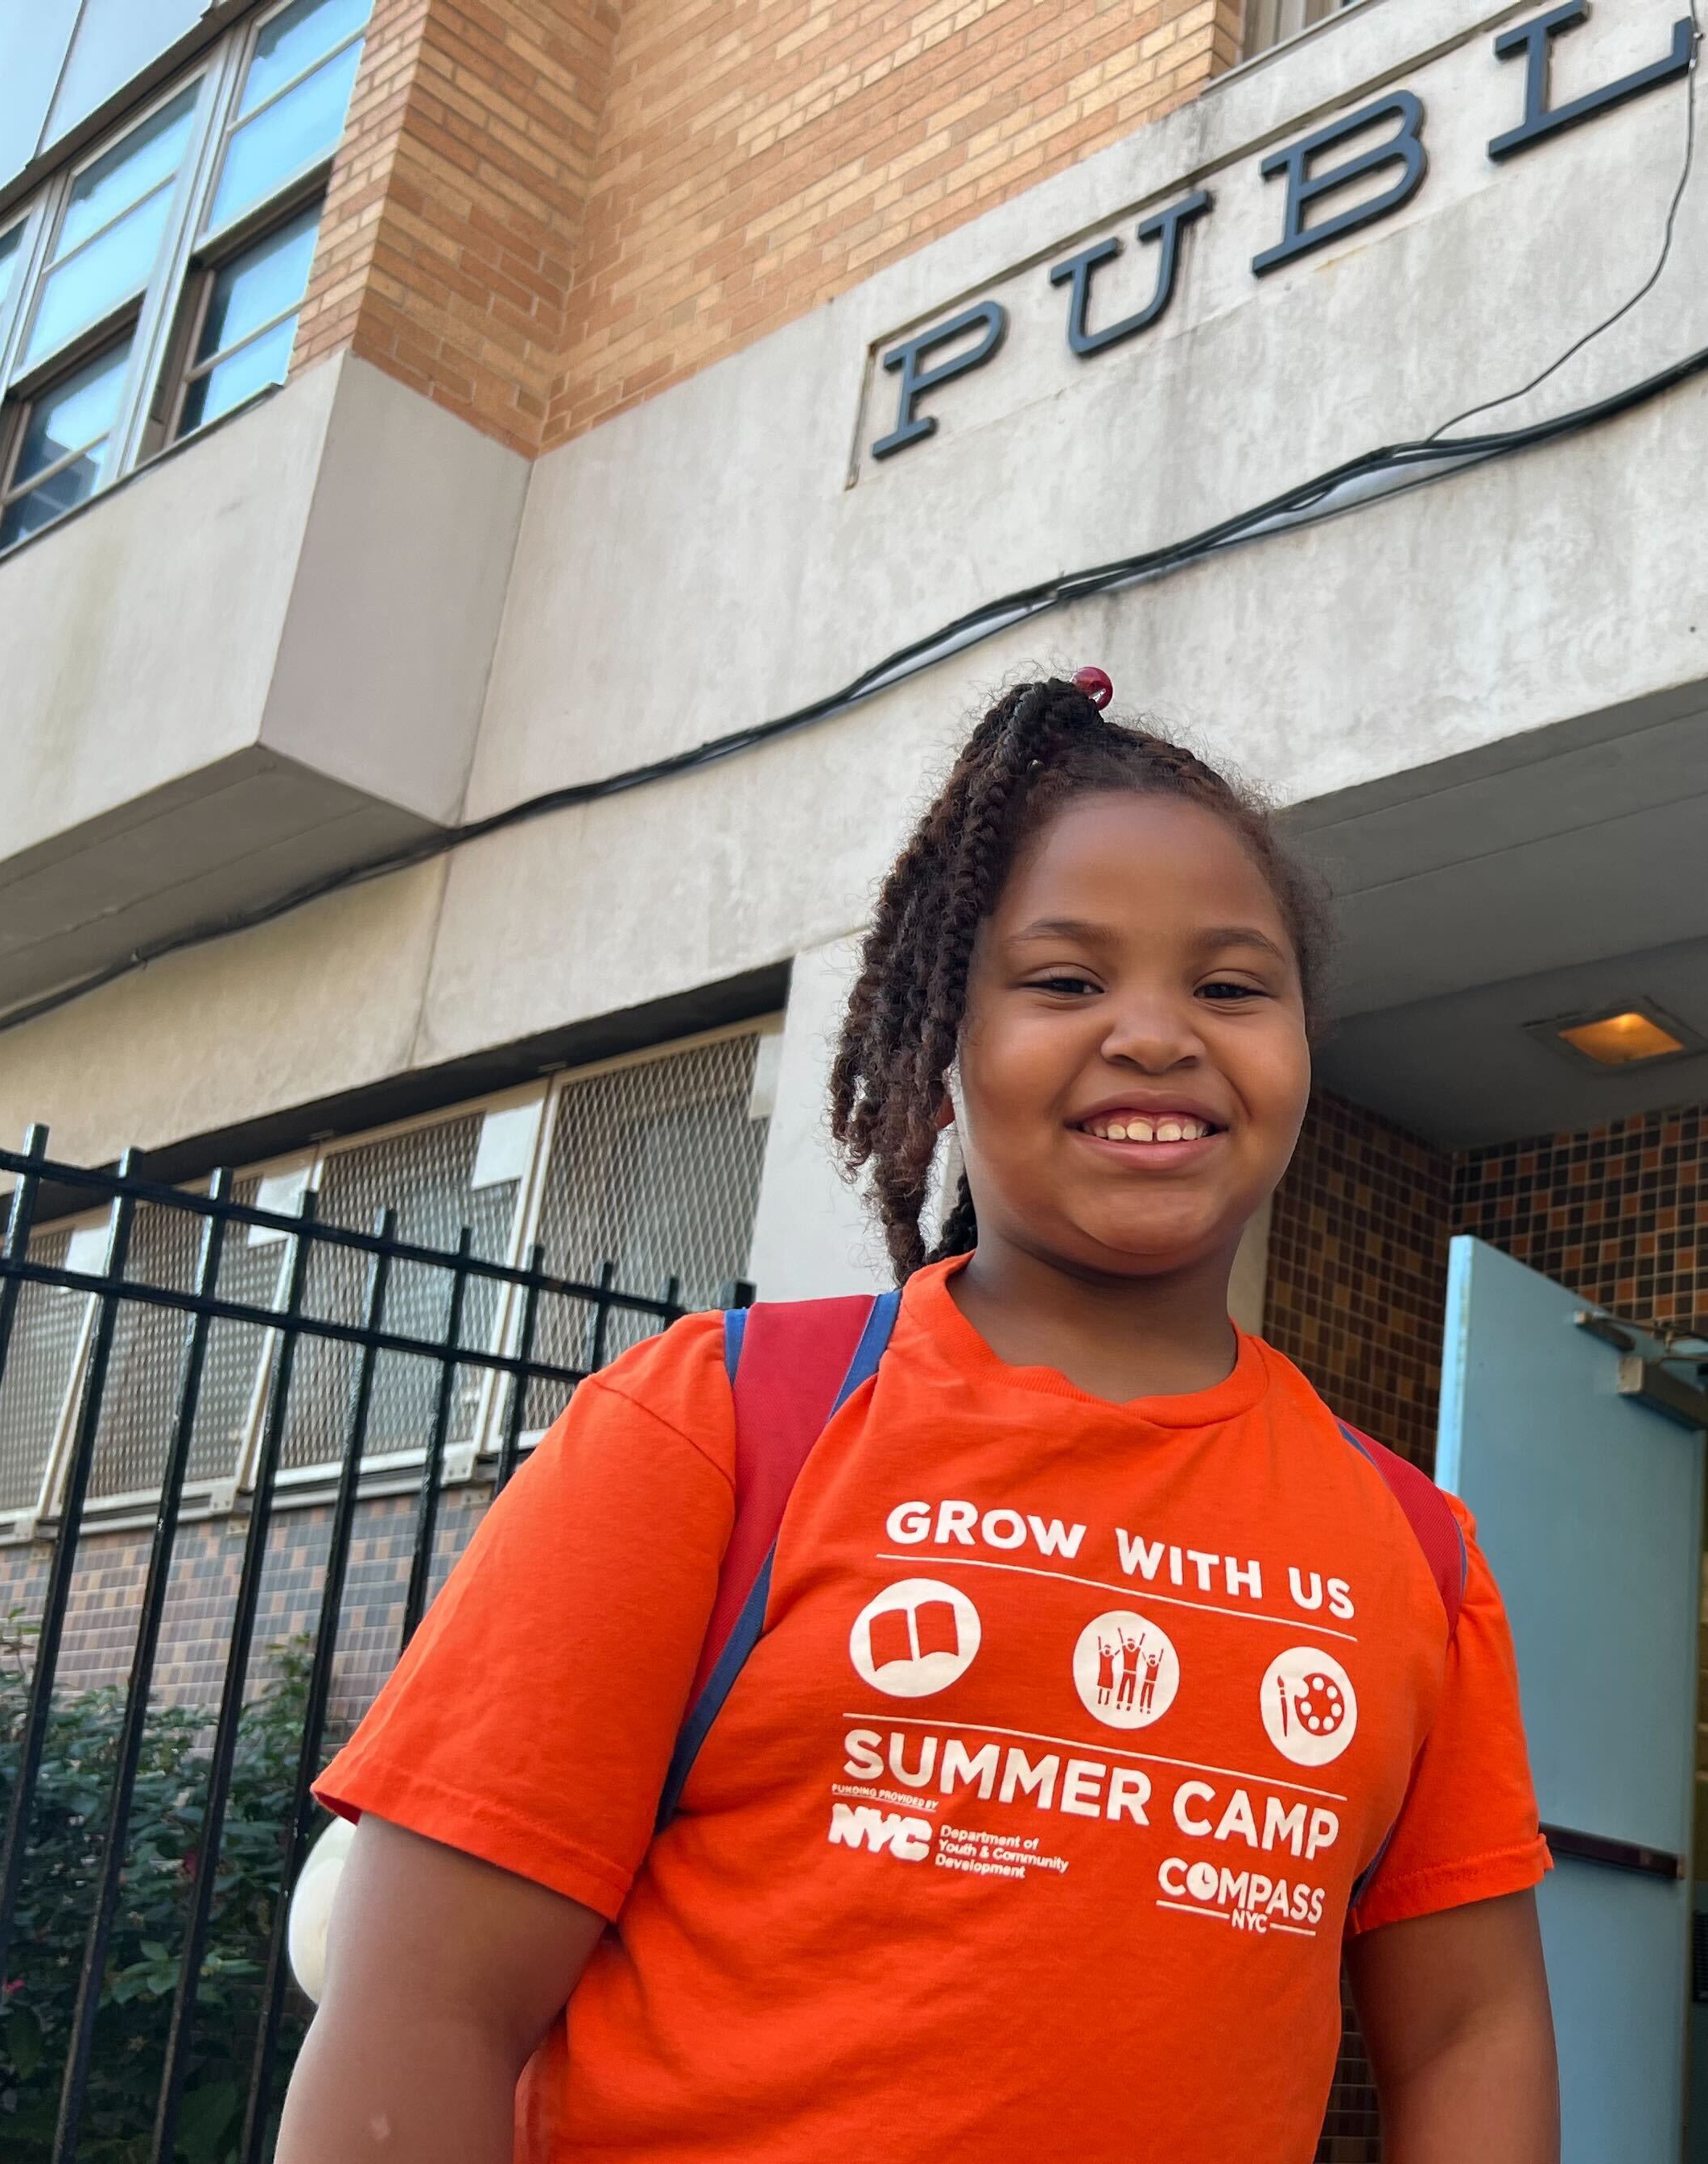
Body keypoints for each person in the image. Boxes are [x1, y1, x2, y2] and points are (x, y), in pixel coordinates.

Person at [278, 675, 1559, 2164]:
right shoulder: (718, 1426)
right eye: (1065, 981)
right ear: (939, 1048)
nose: (1155, 1034)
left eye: (1229, 986)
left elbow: (1472, 2032)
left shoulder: (1412, 1544)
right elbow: (423, 2010)